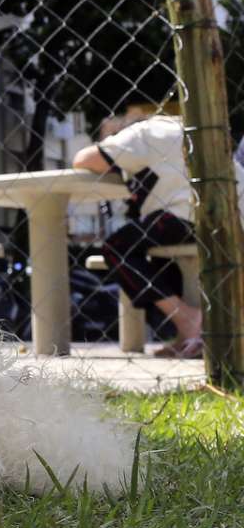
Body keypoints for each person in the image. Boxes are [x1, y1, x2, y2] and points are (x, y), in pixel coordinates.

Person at [72, 101, 203, 358]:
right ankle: (187, 334)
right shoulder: (187, 129)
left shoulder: (142, 132)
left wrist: (110, 147)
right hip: (223, 216)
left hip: (181, 215)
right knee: (156, 252)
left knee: (116, 248)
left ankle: (188, 319)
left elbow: (83, 160)